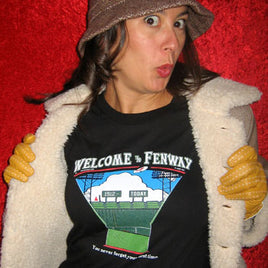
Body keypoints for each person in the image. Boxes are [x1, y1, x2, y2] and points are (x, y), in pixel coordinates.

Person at [1, 0, 267, 267]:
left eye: (179, 23)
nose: (173, 43)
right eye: (151, 21)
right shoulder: (61, 128)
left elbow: (236, 230)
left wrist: (255, 203)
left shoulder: (224, 122)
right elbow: (37, 236)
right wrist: (31, 187)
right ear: (106, 37)